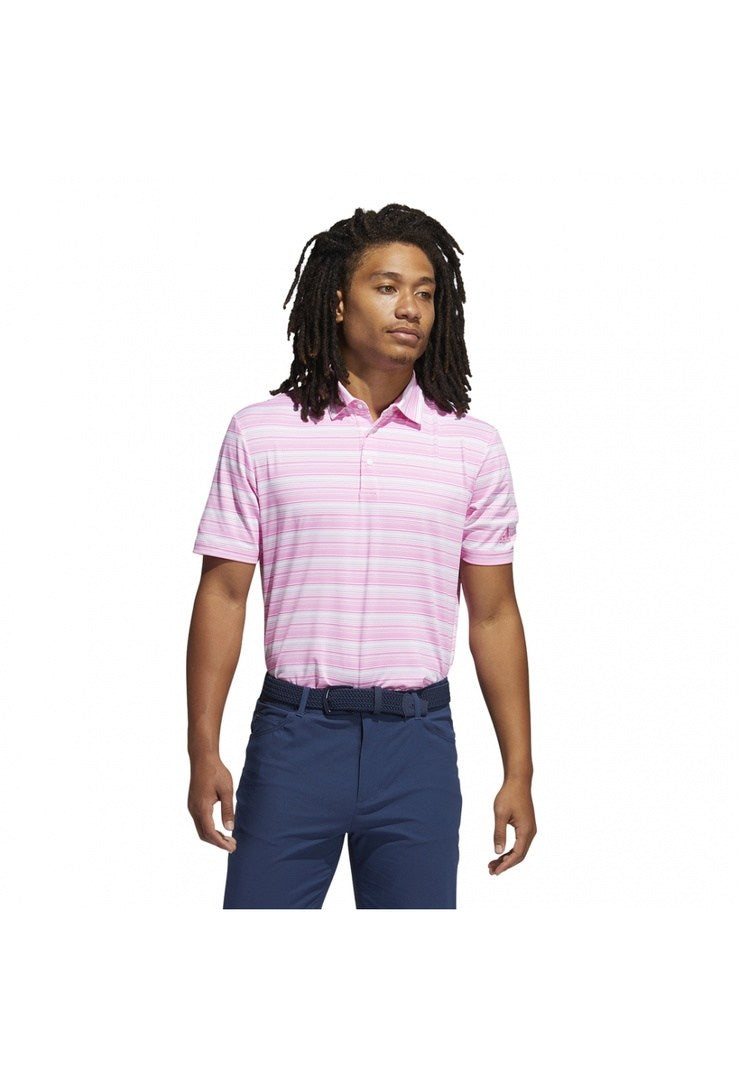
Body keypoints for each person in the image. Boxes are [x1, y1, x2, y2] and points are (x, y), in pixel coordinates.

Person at [186, 203, 536, 909]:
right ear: (339, 301)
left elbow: (494, 614)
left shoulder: (472, 448)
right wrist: (203, 748)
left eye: (425, 293)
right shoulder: (260, 434)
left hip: (417, 747)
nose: (409, 308)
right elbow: (223, 594)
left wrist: (519, 770)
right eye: (387, 287)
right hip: (293, 738)